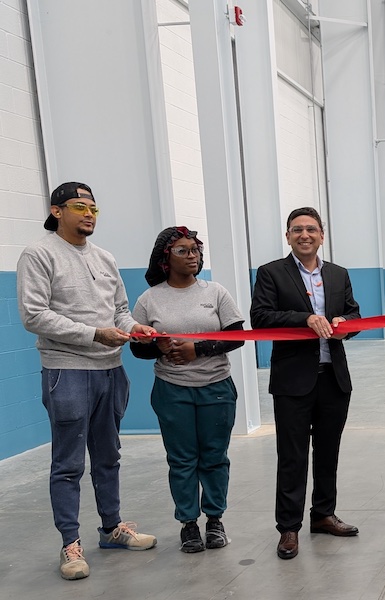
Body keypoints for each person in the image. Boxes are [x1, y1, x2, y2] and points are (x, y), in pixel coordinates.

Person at [16, 182, 158, 581]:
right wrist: (94, 334)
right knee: (68, 463)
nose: (89, 214)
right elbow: (34, 315)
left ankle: (112, 528)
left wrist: (135, 328)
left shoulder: (105, 258)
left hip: (111, 371)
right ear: (57, 210)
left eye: (94, 208)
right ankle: (69, 544)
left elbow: (120, 311)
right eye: (80, 206)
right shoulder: (38, 253)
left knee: (109, 455)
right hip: (68, 370)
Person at [250, 207, 361, 560]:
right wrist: (306, 318)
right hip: (292, 381)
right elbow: (261, 316)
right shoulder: (271, 273)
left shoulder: (338, 274)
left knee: (328, 452)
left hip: (333, 378)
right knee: (292, 456)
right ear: (288, 236)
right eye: (297, 230)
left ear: (322, 235)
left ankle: (324, 514)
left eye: (311, 229)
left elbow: (356, 315)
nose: (304, 235)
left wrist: (346, 321)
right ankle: (289, 528)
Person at [130, 227, 245, 553]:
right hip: (172, 390)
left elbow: (236, 335)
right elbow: (138, 348)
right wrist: (160, 348)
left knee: (214, 457)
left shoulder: (216, 293)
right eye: (182, 250)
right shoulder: (149, 299)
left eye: (195, 249)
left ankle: (214, 520)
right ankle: (188, 524)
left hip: (216, 389)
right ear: (165, 258)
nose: (192, 255)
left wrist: (199, 349)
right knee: (182, 460)